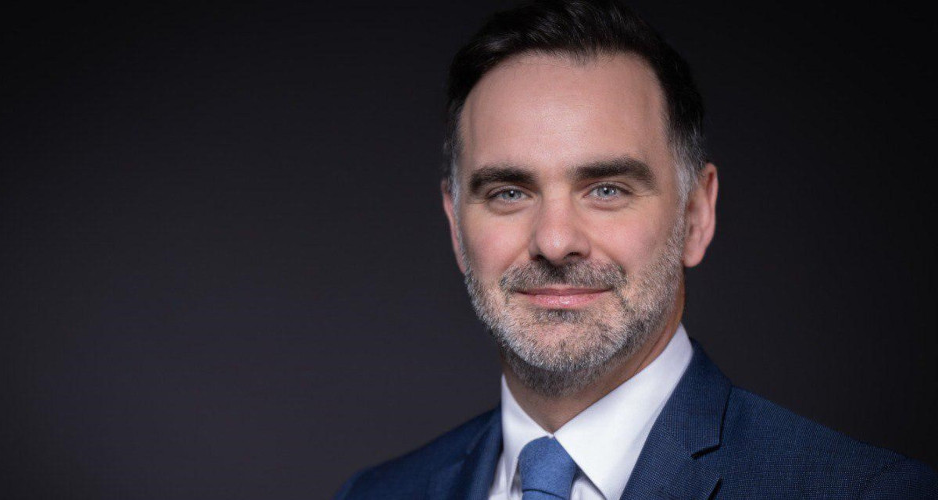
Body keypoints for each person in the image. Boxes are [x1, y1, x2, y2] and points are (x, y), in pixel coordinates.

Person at [335, 0, 938, 498]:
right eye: (509, 192)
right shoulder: (378, 493)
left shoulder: (867, 491)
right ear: (455, 228)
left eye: (606, 189)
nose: (555, 241)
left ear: (696, 215)